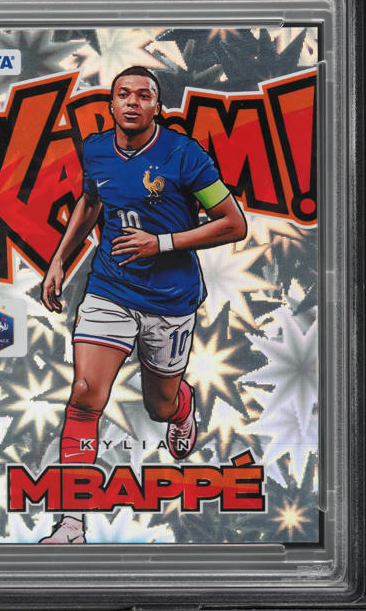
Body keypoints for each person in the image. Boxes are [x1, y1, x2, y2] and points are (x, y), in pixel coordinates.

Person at [39, 66, 247, 543]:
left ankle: (181, 406)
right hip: (110, 288)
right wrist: (59, 260)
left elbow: (233, 223)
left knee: (159, 405)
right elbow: (91, 201)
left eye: (144, 95)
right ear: (111, 105)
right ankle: (71, 523)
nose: (132, 102)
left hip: (170, 298)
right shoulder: (96, 149)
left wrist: (162, 242)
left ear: (157, 107)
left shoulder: (184, 155)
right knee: (85, 392)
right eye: (124, 94)